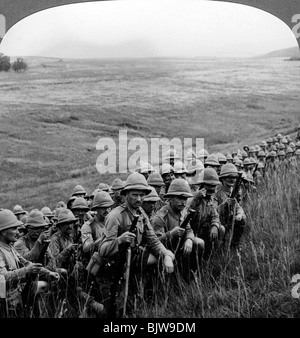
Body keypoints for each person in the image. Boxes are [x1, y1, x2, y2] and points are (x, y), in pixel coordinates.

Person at [98, 172, 175, 317]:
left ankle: (155, 300)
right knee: (114, 311)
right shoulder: (115, 216)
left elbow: (153, 240)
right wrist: (119, 240)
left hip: (131, 264)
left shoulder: (141, 214)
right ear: (126, 194)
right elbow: (103, 250)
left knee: (133, 307)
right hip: (113, 271)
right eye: (135, 195)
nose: (139, 199)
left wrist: (165, 255)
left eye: (142, 195)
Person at [0, 209, 59, 318]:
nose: (18, 232)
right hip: (5, 306)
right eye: (14, 228)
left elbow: (27, 263)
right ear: (3, 231)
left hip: (17, 300)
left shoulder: (10, 248)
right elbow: (2, 278)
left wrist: (47, 273)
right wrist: (26, 270)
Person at [152, 179, 204, 282]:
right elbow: (154, 242)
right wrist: (170, 234)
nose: (183, 202)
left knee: (199, 243)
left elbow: (189, 229)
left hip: (179, 247)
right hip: (165, 250)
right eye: (180, 198)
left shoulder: (183, 212)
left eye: (185, 198)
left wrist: (189, 239)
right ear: (170, 198)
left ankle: (193, 277)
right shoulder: (160, 217)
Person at [189, 168, 225, 260]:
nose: (212, 188)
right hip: (191, 233)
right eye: (209, 185)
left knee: (221, 229)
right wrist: (196, 200)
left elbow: (215, 215)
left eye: (214, 186)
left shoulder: (211, 199)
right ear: (202, 185)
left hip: (204, 231)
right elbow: (188, 216)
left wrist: (215, 225)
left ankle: (213, 257)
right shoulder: (192, 197)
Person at [215, 163, 246, 251]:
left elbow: (238, 206)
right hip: (220, 221)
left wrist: (239, 213)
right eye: (229, 177)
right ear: (223, 179)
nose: (232, 180)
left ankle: (236, 244)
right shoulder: (218, 193)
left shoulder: (233, 191)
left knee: (242, 218)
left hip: (230, 218)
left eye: (234, 178)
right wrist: (224, 204)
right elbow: (214, 211)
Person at [81, 191, 115, 266]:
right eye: (103, 208)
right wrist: (104, 238)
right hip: (97, 265)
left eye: (109, 207)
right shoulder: (88, 226)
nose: (107, 210)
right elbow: (86, 248)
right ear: (96, 209)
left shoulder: (114, 223)